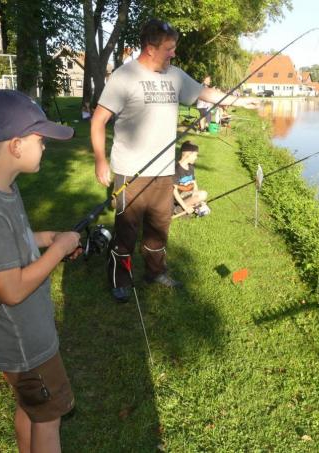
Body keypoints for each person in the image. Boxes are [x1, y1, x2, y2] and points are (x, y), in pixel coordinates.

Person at [90, 18, 258, 302]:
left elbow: (206, 93)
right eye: (169, 48)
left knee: (159, 228)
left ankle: (156, 272)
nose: (173, 53)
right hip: (130, 172)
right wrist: (100, 161)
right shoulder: (124, 76)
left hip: (164, 171)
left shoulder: (176, 76)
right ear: (150, 48)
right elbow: (98, 121)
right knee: (126, 233)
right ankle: (120, 278)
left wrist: (239, 101)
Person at [0, 89, 80, 453]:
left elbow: (10, 242)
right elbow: (10, 289)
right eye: (41, 140)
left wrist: (44, 238)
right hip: (24, 341)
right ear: (16, 145)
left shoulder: (0, 189)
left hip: (18, 335)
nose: (45, 147)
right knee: (50, 418)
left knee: (32, 409)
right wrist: (58, 250)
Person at [172, 141, 208, 217]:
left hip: (187, 194)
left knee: (202, 195)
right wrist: (185, 207)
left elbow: (194, 183)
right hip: (178, 197)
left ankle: (192, 206)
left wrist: (198, 201)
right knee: (203, 194)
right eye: (195, 155)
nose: (196, 157)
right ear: (188, 154)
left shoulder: (190, 167)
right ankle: (179, 209)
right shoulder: (176, 169)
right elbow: (174, 191)